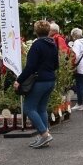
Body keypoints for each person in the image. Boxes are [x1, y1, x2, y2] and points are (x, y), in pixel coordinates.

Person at [14, 20, 58, 149]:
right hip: (50, 79)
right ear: (48, 31)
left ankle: (44, 135)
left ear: (36, 31)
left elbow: (30, 67)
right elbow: (56, 64)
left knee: (29, 108)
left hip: (39, 80)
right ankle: (44, 136)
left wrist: (19, 80)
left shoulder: (36, 45)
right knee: (42, 108)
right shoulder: (52, 44)